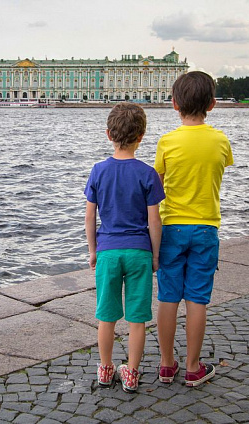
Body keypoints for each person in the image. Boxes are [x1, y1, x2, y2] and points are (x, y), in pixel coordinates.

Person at [153, 71, 234, 387]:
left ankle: (166, 364)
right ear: (212, 104)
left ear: (174, 104)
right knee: (197, 299)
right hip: (205, 228)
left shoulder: (166, 142)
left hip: (171, 227)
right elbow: (219, 169)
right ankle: (193, 367)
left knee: (168, 298)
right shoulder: (220, 141)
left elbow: (157, 186)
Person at [84, 102, 164, 393]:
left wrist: (93, 250)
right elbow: (155, 220)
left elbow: (90, 216)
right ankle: (131, 372)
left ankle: (105, 370)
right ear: (141, 136)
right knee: (137, 318)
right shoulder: (147, 174)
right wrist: (155, 254)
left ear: (108, 134)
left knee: (106, 315)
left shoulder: (98, 171)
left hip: (108, 250)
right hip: (139, 251)